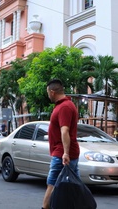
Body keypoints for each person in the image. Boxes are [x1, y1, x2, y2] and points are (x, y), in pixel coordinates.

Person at [41, 79, 80, 209]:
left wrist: (65, 153)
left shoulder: (64, 107)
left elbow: (65, 130)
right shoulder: (62, 105)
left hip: (62, 154)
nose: (47, 95)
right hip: (64, 152)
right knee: (72, 187)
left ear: (52, 92)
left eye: (48, 92)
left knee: (52, 184)